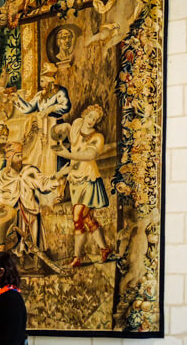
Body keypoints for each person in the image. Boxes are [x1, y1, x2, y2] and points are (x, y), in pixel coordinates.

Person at [52, 104, 112, 267]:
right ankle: (104, 248)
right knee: (87, 218)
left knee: (77, 217)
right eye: (90, 116)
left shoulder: (98, 137)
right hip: (75, 179)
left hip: (89, 179)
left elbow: (88, 155)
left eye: (95, 118)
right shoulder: (77, 126)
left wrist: (67, 154)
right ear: (84, 115)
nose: (92, 120)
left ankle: (76, 258)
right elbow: (66, 130)